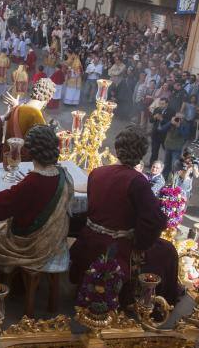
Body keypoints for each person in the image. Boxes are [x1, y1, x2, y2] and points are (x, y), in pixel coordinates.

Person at [70, 126, 181, 307]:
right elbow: (155, 221)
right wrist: (140, 242)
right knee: (168, 251)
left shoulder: (97, 172)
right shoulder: (137, 181)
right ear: (141, 154)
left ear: (116, 149)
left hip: (89, 241)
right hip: (119, 248)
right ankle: (151, 302)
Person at [0, 125, 74, 288]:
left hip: (30, 244)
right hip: (53, 239)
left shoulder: (34, 181)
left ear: (31, 151)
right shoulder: (62, 174)